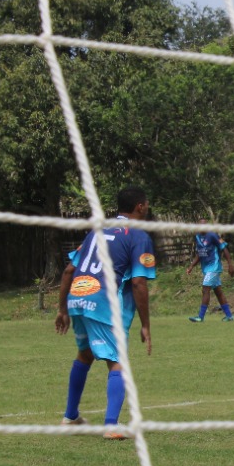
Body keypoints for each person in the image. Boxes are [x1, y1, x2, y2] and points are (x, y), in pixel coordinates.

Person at [54, 185, 157, 439]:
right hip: (102, 301)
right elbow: (138, 283)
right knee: (117, 361)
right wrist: (146, 324)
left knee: (85, 354)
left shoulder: (97, 230)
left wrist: (62, 309)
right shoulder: (138, 235)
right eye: (146, 204)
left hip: (78, 296)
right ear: (139, 207)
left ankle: (70, 417)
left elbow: (69, 270)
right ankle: (111, 425)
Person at [185, 220, 234, 322]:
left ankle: (200, 317)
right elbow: (200, 253)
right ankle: (229, 316)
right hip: (206, 268)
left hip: (214, 267)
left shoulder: (213, 235)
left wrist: (230, 264)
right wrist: (191, 266)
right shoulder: (198, 237)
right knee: (218, 292)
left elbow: (224, 248)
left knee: (205, 289)